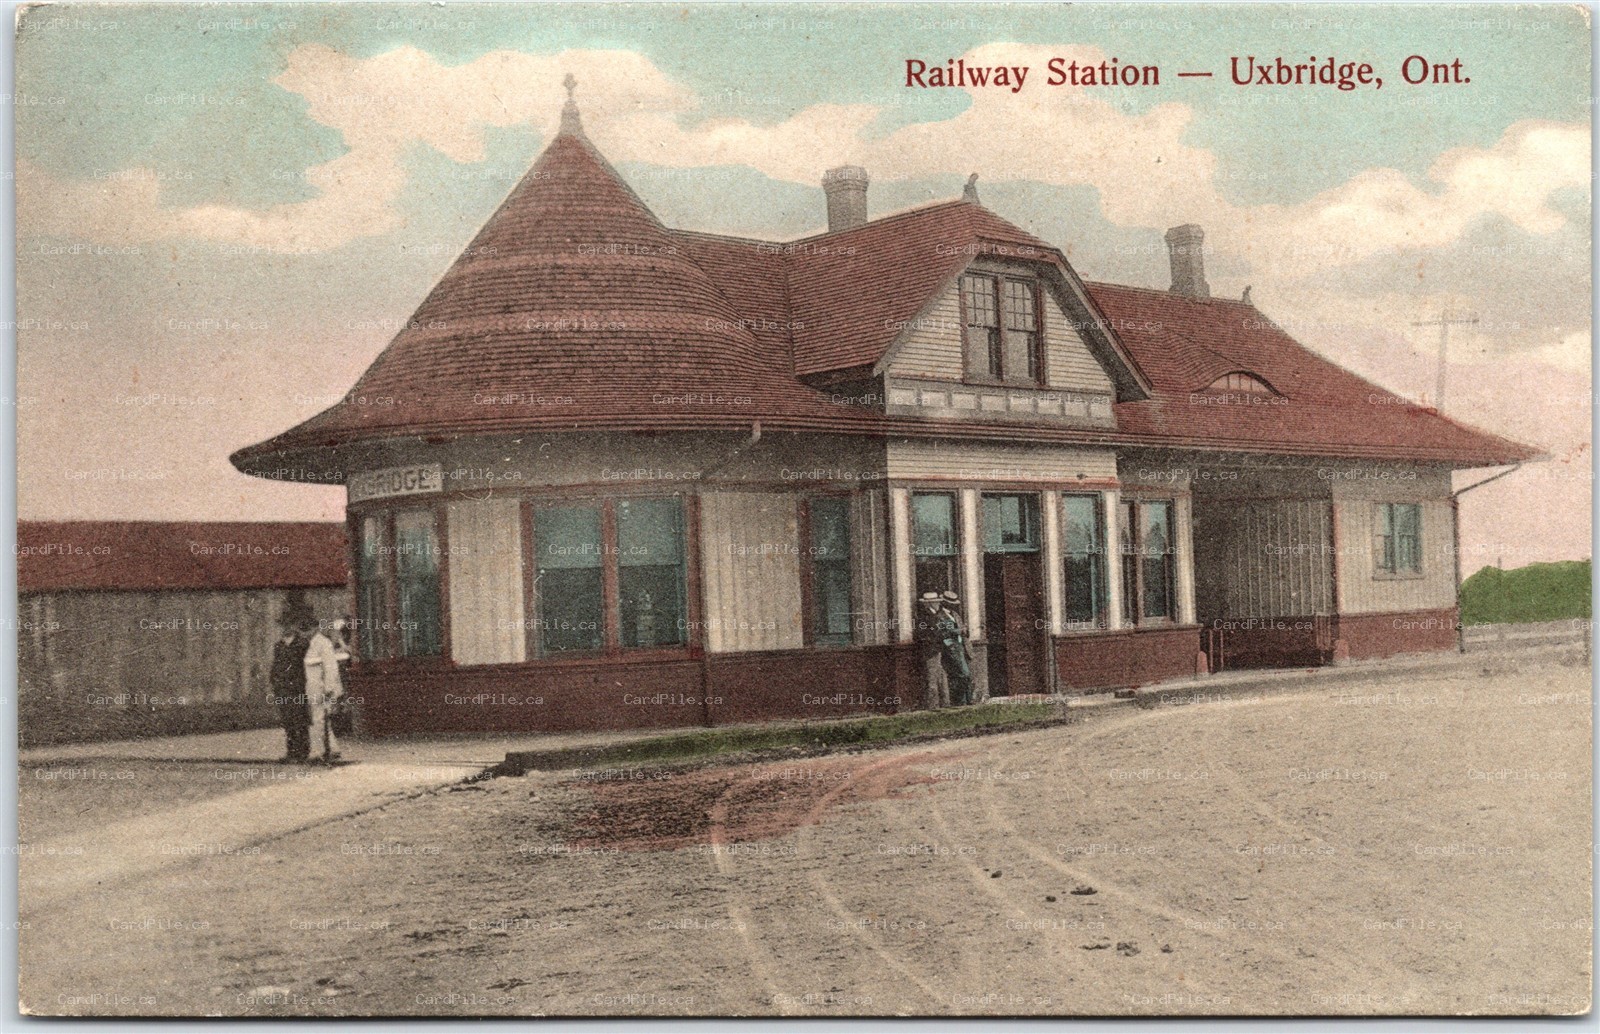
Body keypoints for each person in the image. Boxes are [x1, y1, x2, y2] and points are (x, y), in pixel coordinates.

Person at [268, 606, 314, 763]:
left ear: (295, 626)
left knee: (300, 720)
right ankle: (291, 752)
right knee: (287, 720)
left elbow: (305, 666)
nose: (286, 628)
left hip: (297, 687)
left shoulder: (302, 644)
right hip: (283, 689)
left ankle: (302, 752)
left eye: (290, 624)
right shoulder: (279, 645)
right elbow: (275, 667)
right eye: (284, 625)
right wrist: (274, 683)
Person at [304, 616, 345, 764]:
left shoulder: (323, 643)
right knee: (318, 719)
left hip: (322, 688)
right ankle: (331, 749)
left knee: (320, 719)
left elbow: (331, 667)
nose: (307, 633)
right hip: (313, 687)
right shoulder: (311, 643)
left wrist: (328, 688)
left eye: (309, 629)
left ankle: (323, 751)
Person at [912, 591, 951, 710]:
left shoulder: (934, 615)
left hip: (936, 650)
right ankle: (933, 705)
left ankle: (943, 703)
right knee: (933, 679)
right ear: (929, 604)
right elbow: (922, 635)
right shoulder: (924, 617)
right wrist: (938, 640)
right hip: (931, 652)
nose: (937, 604)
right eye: (935, 602)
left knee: (940, 677)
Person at [939, 590, 976, 706]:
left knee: (968, 675)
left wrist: (965, 630)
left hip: (964, 648)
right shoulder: (940, 616)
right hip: (952, 650)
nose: (953, 605)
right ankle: (960, 701)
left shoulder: (955, 614)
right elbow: (944, 632)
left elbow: (963, 628)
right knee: (962, 675)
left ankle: (968, 700)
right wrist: (960, 631)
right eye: (951, 603)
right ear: (944, 603)